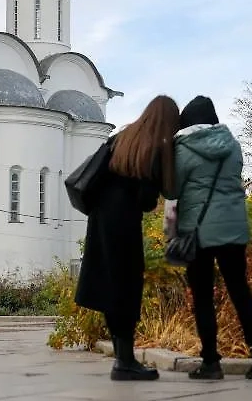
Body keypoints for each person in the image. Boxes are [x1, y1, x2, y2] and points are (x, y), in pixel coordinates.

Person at [166, 95, 252, 380]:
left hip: (198, 232)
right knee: (239, 290)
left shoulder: (183, 149)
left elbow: (172, 191)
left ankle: (211, 363)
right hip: (233, 227)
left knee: (203, 297)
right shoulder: (233, 146)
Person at [74, 95, 179, 381]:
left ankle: (123, 360)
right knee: (128, 289)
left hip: (100, 219)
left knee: (110, 287)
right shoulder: (154, 146)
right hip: (125, 223)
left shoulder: (123, 136)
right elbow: (146, 200)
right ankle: (126, 361)